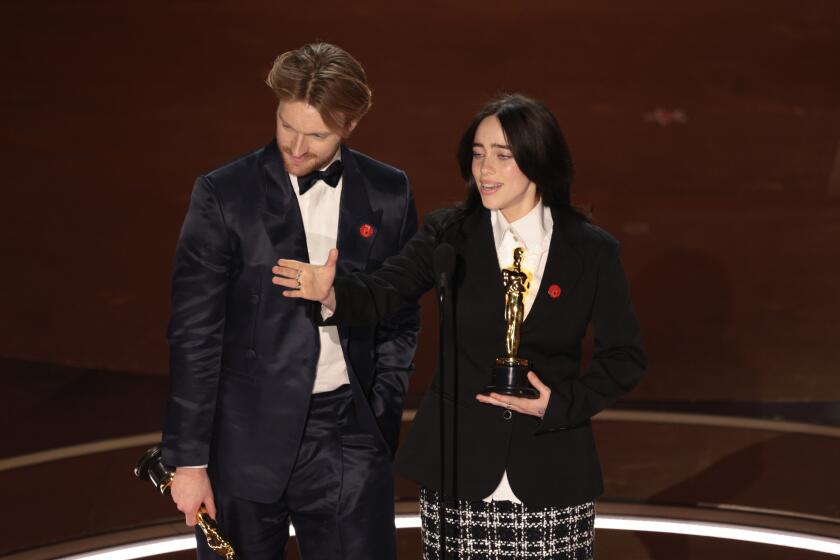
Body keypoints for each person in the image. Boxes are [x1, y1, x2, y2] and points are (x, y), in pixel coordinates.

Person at [273, 93, 647, 560]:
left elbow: (625, 358)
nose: (485, 169)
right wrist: (332, 292)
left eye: (502, 156)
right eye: (477, 153)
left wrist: (560, 403)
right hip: (459, 471)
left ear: (538, 160)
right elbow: (386, 289)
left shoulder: (591, 251)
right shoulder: (449, 234)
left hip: (553, 472)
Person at [161, 42, 420, 560]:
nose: (297, 148)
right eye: (287, 126)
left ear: (350, 125)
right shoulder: (224, 194)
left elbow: (400, 312)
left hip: (347, 436)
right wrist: (188, 462)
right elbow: (195, 333)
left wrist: (379, 416)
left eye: (317, 134)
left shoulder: (389, 192)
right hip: (242, 440)